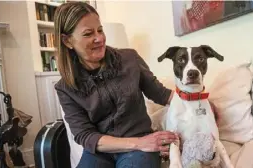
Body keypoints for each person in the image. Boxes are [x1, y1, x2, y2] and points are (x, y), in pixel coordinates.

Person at [53, 2, 178, 168]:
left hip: (139, 149)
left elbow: (161, 94)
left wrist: (196, 101)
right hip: (101, 152)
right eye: (88, 33)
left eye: (100, 30)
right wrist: (138, 143)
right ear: (67, 41)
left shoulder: (129, 59)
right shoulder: (65, 88)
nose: (99, 38)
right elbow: (85, 135)